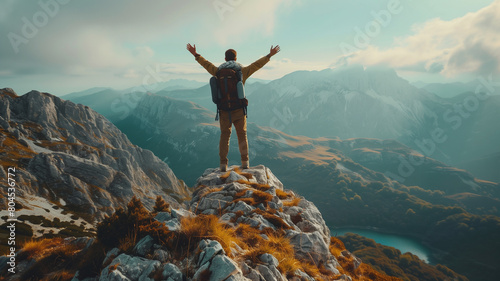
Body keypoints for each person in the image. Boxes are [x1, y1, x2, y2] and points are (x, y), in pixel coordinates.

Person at [187, 43, 280, 172]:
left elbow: (206, 64)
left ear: (225, 59)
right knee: (242, 135)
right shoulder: (241, 71)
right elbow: (257, 65)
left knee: (225, 136)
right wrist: (269, 55)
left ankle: (223, 164)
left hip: (224, 110)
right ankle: (245, 162)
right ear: (236, 59)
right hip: (239, 110)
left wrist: (195, 54)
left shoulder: (218, 71)